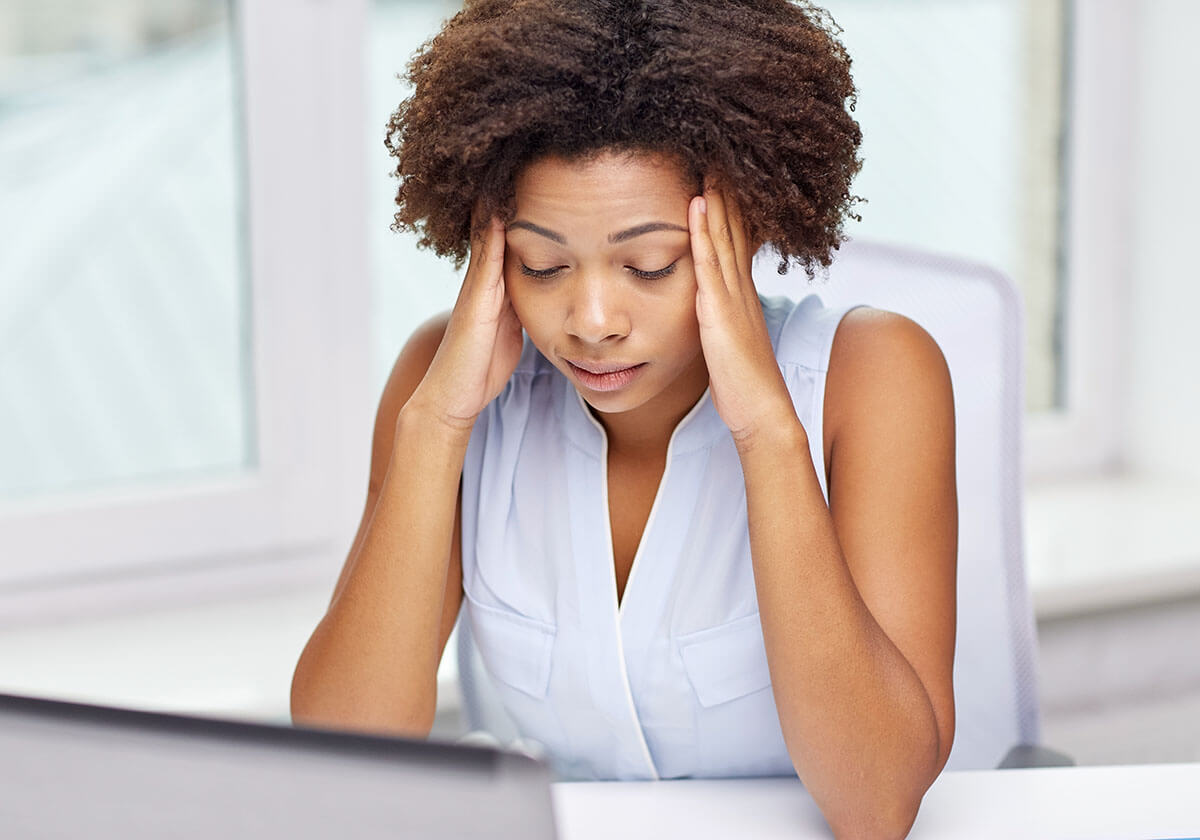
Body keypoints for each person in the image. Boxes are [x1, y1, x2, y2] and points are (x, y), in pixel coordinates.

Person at [291, 1, 957, 837]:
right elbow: (343, 763)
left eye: (648, 266)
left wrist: (764, 431)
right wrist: (433, 431)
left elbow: (879, 805)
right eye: (543, 265)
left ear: (746, 231)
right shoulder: (446, 393)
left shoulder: (871, 378)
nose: (593, 318)